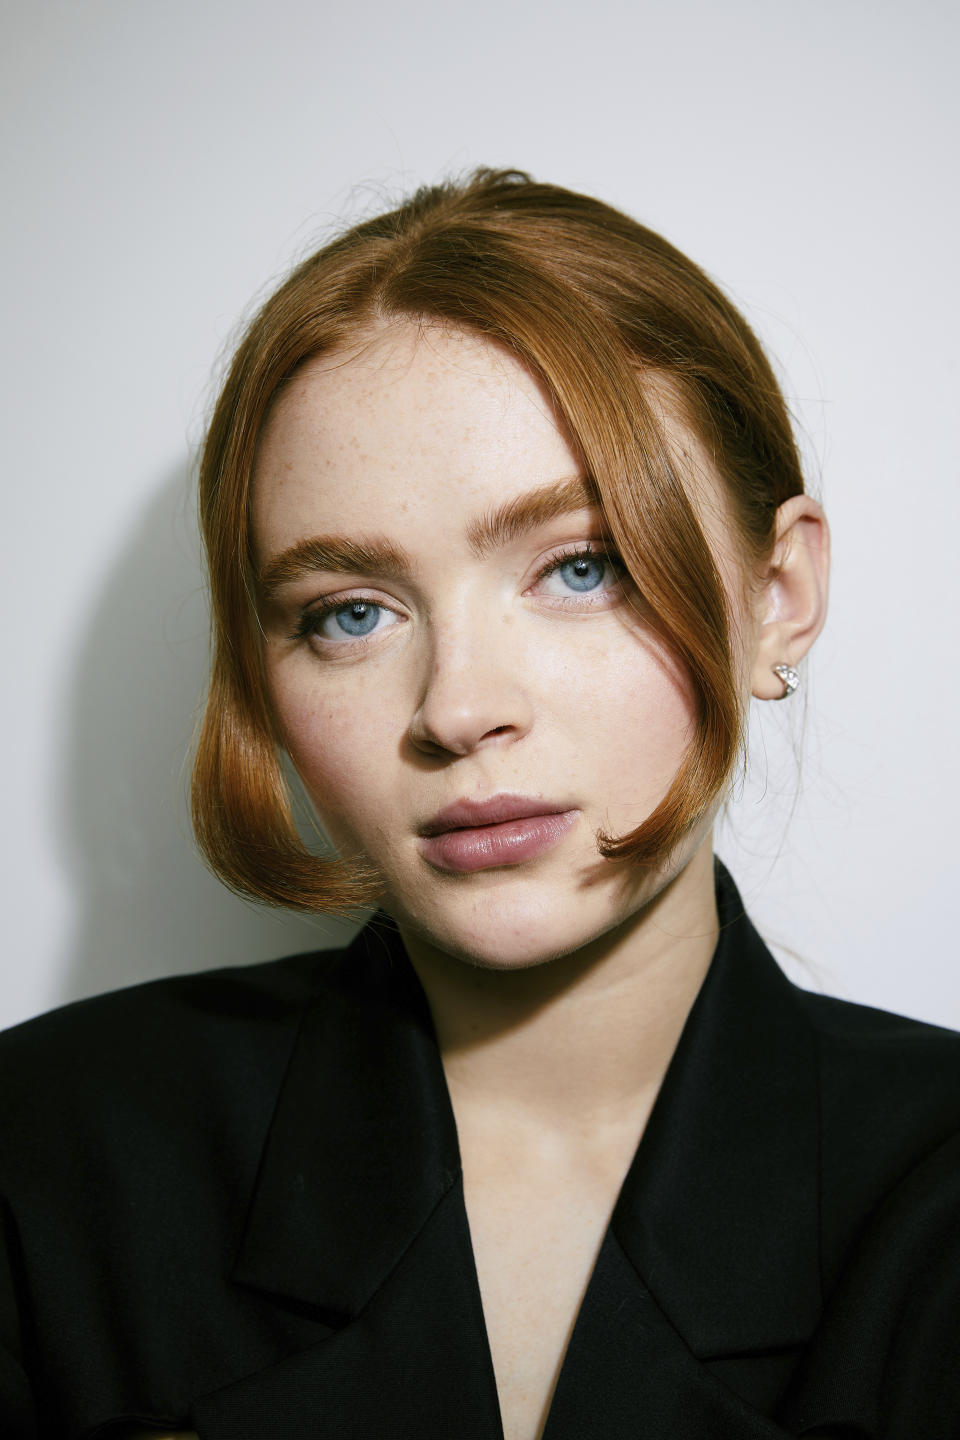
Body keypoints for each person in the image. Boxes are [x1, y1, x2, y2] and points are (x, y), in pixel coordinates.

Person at [1, 168, 958, 1440]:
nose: (457, 707)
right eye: (350, 613)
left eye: (578, 567)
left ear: (776, 596)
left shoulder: (935, 1197)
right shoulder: (47, 1157)